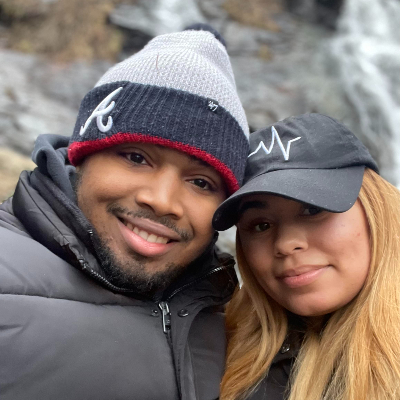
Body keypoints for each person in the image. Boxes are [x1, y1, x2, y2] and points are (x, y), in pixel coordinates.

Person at [0, 25, 249, 400]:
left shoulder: (237, 320)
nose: (162, 201)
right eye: (136, 158)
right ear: (80, 157)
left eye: (201, 182)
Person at [212, 113, 400, 400]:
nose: (286, 244)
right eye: (261, 225)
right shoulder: (216, 344)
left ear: (376, 210)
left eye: (313, 209)